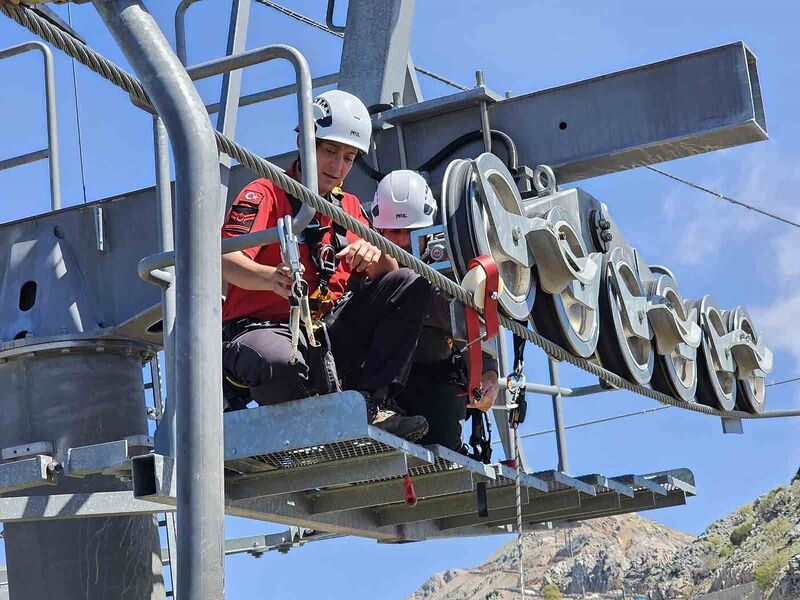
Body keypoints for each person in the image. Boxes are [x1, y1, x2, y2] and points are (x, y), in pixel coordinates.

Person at [220, 90, 430, 442]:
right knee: (282, 363)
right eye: (329, 151)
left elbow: (393, 276)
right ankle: (301, 434)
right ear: (305, 142)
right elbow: (225, 257)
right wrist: (270, 278)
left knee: (412, 282)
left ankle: (370, 403)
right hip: (265, 329)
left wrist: (376, 257)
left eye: (349, 158)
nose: (337, 166)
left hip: (324, 334)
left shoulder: (349, 207)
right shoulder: (267, 191)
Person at [369, 170, 500, 452]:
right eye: (395, 232)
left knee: (442, 452)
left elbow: (474, 324)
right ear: (377, 230)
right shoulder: (364, 264)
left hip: (435, 379)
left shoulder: (451, 270)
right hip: (377, 388)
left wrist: (488, 374)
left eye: (412, 232)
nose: (404, 241)